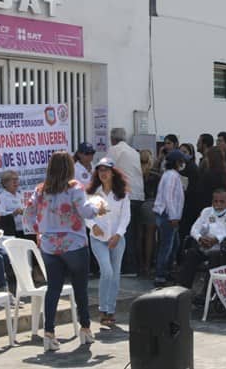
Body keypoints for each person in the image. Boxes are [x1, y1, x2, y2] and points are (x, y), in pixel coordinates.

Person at [23, 151, 107, 351]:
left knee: (53, 289)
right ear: (69, 167)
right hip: (74, 243)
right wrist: (99, 208)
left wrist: (38, 231)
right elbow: (85, 211)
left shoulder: (41, 190)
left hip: (50, 245)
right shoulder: (74, 187)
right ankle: (85, 329)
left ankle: (49, 333)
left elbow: (28, 212)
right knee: (80, 288)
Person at [86, 157, 130, 326]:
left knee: (115, 275)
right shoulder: (92, 192)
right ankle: (103, 309)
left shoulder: (122, 194)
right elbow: (86, 213)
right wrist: (93, 225)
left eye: (106, 170)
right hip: (98, 239)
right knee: (107, 271)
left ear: (113, 172)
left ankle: (110, 310)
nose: (103, 173)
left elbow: (126, 217)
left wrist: (118, 235)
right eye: (100, 170)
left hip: (117, 239)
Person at [179, 188, 226, 289]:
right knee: (191, 254)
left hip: (222, 250)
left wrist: (217, 239)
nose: (218, 204)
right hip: (204, 246)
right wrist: (200, 238)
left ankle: (205, 294)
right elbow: (194, 229)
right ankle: (183, 290)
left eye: (222, 201)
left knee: (214, 256)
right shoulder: (206, 212)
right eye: (215, 201)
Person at [107, 128, 145, 275]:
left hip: (124, 196)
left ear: (112, 139)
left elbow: (106, 170)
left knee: (123, 231)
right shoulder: (134, 152)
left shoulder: (114, 150)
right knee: (134, 232)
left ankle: (127, 267)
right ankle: (136, 266)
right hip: (138, 195)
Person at [153, 150, 186, 287]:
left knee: (173, 244)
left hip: (168, 215)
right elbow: (169, 197)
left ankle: (166, 270)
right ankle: (160, 274)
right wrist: (173, 216)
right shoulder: (172, 176)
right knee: (167, 246)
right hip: (168, 215)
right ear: (178, 162)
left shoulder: (169, 175)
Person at [138, 149, 161, 277]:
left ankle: (140, 265)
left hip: (140, 204)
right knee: (150, 237)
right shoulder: (156, 175)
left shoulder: (137, 174)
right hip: (152, 205)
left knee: (139, 236)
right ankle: (148, 265)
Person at [0, 170, 25, 238]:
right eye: (12, 180)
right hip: (13, 231)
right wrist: (13, 213)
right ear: (5, 184)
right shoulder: (2, 197)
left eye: (16, 179)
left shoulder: (20, 195)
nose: (15, 182)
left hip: (24, 229)